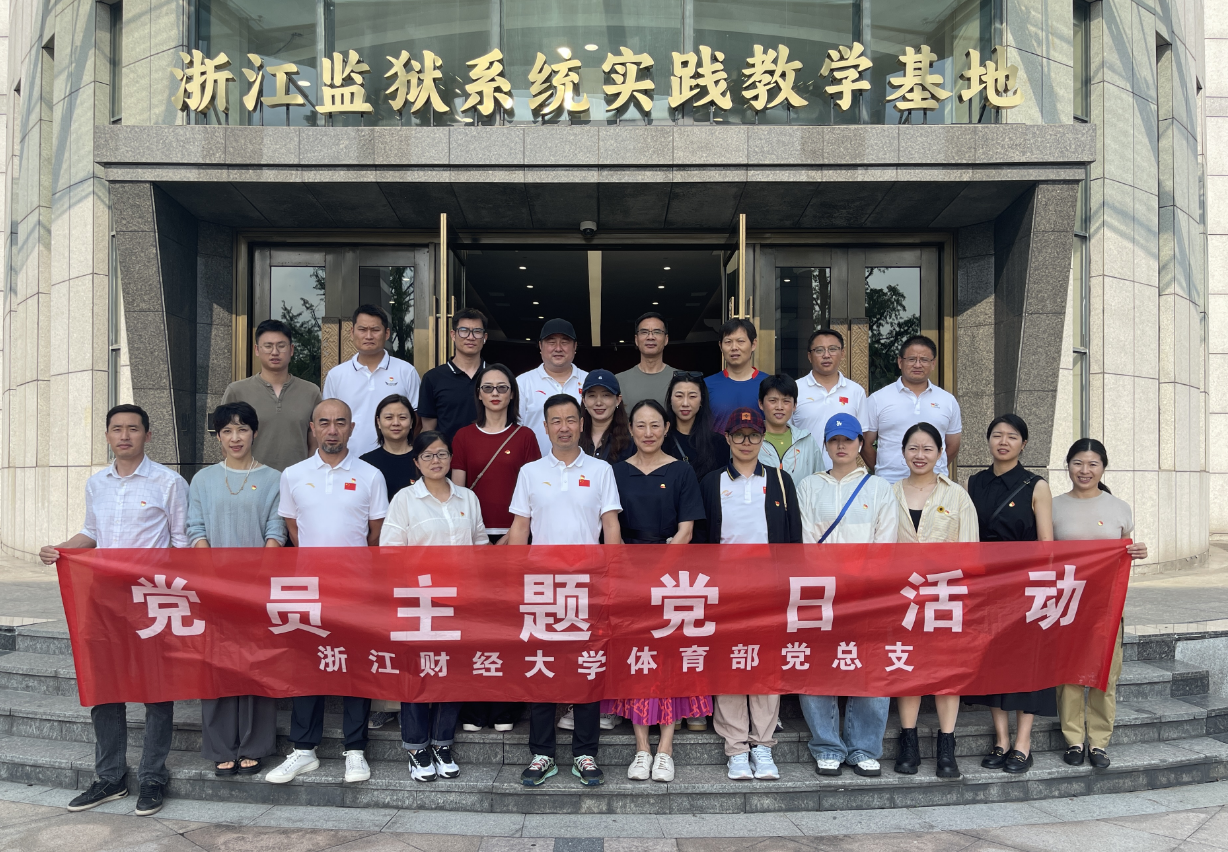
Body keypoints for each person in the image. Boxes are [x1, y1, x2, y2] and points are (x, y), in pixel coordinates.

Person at [39, 404, 188, 817]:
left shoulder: (169, 482)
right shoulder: (97, 483)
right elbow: (92, 532)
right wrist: (61, 549)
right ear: (107, 435)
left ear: (148, 435)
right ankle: (110, 777)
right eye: (117, 429)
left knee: (157, 690)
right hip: (104, 599)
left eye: (133, 429)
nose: (125, 436)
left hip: (150, 600)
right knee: (106, 687)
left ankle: (153, 777)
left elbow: (180, 543)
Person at [267, 398, 389, 786]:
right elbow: (293, 529)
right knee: (307, 667)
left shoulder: (371, 475)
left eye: (340, 422)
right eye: (324, 422)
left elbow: (375, 534)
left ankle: (355, 749)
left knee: (355, 667)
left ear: (352, 428)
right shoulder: (293, 474)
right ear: (313, 428)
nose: (332, 430)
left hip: (356, 587)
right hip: (308, 587)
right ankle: (304, 749)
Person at [508, 394, 622, 788]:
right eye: (555, 421)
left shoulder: (601, 470)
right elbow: (520, 529)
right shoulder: (530, 472)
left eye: (571, 419)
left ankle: (585, 754)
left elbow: (611, 526)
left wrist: (614, 578)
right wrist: (513, 579)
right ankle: (542, 753)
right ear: (545, 427)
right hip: (542, 586)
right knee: (543, 668)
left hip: (588, 586)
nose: (564, 427)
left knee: (587, 668)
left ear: (581, 423)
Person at [605, 400, 709, 783]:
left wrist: (659, 570)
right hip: (628, 575)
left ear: (666, 428)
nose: (647, 433)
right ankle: (641, 748)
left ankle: (665, 748)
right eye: (640, 425)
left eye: (655, 425)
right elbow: (610, 527)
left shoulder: (681, 471)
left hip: (672, 578)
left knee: (669, 659)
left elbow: (686, 530)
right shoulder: (615, 472)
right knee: (638, 658)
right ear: (630, 429)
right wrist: (631, 572)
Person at [696, 407, 801, 781]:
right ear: (727, 438)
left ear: (762, 439)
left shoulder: (781, 481)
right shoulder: (711, 482)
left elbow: (793, 541)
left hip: (768, 589)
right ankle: (736, 747)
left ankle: (763, 744)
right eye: (739, 435)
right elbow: (701, 543)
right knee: (730, 664)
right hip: (726, 590)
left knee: (765, 665)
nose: (746, 442)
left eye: (753, 435)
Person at [380, 430, 488, 782]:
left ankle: (442, 743)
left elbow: (480, 546)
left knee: (450, 673)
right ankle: (416, 747)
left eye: (441, 454)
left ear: (451, 458)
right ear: (416, 462)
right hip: (419, 600)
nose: (435, 461)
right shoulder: (405, 499)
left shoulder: (467, 498)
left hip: (460, 600)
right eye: (427, 455)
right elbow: (390, 551)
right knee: (417, 672)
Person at [187, 402, 287, 777]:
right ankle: (221, 746)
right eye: (226, 431)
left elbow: (276, 531)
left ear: (254, 433)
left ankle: (254, 745)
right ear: (218, 436)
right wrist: (214, 579)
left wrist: (255, 582)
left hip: (257, 588)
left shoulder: (274, 479)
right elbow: (195, 529)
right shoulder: (203, 480)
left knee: (256, 666)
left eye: (242, 429)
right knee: (217, 666)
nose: (235, 437)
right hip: (213, 588)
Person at [796, 414, 897, 778]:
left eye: (848, 439)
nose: (841, 445)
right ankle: (826, 745)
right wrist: (829, 581)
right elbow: (806, 541)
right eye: (834, 439)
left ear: (860, 444)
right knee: (817, 666)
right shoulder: (809, 485)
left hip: (867, 594)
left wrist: (860, 582)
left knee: (870, 667)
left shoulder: (878, 488)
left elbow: (885, 543)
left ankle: (864, 747)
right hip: (820, 592)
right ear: (825, 444)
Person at [964, 414, 1055, 775]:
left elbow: (1046, 545)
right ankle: (1001, 738)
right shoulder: (975, 482)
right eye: (997, 435)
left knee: (1026, 662)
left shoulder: (1037, 486)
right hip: (986, 587)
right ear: (988, 440)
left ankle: (1023, 743)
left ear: (1024, 444)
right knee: (992, 661)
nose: (1003, 442)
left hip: (1024, 587)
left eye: (1012, 436)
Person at [890, 422, 980, 780]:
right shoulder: (889, 493)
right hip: (903, 597)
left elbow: (970, 552)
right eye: (913, 448)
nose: (920, 455)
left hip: (946, 596)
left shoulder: (956, 496)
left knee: (946, 670)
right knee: (907, 666)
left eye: (928, 448)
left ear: (941, 453)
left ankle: (947, 745)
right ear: (903, 453)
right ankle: (908, 742)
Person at [451, 364, 538, 733]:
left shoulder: (525, 436)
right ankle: (474, 706)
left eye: (502, 387)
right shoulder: (463, 436)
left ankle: (506, 706)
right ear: (479, 394)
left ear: (512, 393)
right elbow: (457, 493)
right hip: (473, 540)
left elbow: (533, 493)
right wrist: (478, 539)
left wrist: (509, 537)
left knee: (510, 624)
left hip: (514, 539)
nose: (495, 394)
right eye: (488, 388)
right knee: (473, 625)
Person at [1055, 438, 1148, 770]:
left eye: (1093, 464)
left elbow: (1123, 551)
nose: (1085, 470)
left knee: (1105, 673)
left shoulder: (1118, 508)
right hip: (1066, 603)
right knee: (1068, 672)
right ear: (1068, 466)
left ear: (1103, 468)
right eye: (1078, 463)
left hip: (1106, 606)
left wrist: (1136, 551)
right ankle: (1074, 739)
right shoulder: (1053, 507)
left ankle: (1098, 742)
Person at [221, 318, 322, 472]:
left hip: (298, 480)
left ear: (291, 349)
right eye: (268, 346)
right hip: (251, 479)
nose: (275, 352)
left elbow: (315, 443)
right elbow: (226, 442)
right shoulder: (237, 391)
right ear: (257, 350)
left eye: (281, 346)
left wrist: (309, 476)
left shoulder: (311, 392)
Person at [322, 304, 421, 457]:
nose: (368, 336)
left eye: (375, 330)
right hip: (349, 459)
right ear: (352, 332)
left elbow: (417, 418)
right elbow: (328, 421)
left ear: (386, 333)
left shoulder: (406, 371)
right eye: (362, 329)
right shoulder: (336, 375)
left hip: (394, 458)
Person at [863, 335, 961, 483]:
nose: (917, 365)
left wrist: (928, 471)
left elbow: (953, 445)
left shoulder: (948, 400)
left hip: (935, 484)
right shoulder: (878, 399)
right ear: (900, 362)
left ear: (933, 363)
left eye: (924, 360)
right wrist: (883, 471)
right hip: (890, 484)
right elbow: (865, 444)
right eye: (911, 359)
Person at [790, 328, 868, 471]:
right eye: (819, 350)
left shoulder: (856, 392)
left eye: (832, 349)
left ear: (842, 353)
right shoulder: (795, 389)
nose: (826, 355)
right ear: (809, 356)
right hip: (802, 472)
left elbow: (862, 436)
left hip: (843, 474)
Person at [517, 318, 587, 456]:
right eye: (551, 342)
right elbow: (514, 430)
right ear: (540, 346)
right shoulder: (522, 383)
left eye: (565, 342)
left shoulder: (588, 381)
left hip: (583, 465)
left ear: (575, 346)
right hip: (535, 464)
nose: (558, 348)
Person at [418, 308, 487, 441]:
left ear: (485, 337)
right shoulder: (433, 378)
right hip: (447, 453)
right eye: (464, 331)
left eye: (477, 332)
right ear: (453, 335)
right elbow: (428, 430)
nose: (470, 337)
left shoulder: (495, 377)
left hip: (489, 452)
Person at [664, 371, 729, 485]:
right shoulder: (660, 441)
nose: (685, 403)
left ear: (701, 400)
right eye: (679, 396)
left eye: (692, 396)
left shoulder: (718, 443)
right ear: (670, 399)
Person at [757, 373, 821, 481]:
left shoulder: (807, 441)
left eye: (786, 401)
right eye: (773, 401)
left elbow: (820, 481)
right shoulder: (749, 439)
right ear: (761, 404)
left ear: (794, 405)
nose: (779, 407)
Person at [705, 319, 764, 433]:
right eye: (728, 342)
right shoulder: (706, 385)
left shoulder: (768, 384)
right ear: (720, 346)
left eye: (740, 341)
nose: (734, 347)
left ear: (753, 344)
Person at [361, 394, 419, 501]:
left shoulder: (424, 459)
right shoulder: (365, 463)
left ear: (411, 422)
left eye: (402, 417)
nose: (396, 423)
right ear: (378, 422)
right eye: (389, 418)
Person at [616, 312, 676, 410]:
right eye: (644, 332)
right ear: (636, 339)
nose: (650, 337)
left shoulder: (681, 379)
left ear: (666, 339)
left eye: (657, 332)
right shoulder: (618, 381)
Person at [580, 369, 633, 463]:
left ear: (618, 400)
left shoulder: (631, 438)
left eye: (606, 395)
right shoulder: (574, 436)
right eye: (592, 395)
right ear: (584, 400)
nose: (599, 403)